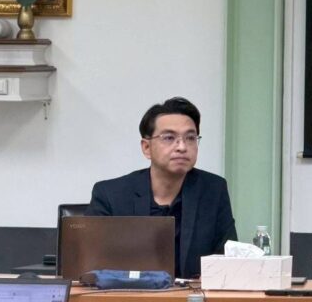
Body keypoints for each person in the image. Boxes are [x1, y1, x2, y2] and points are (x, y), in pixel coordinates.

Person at [86, 97, 237, 278]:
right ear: (146, 147)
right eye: (169, 138)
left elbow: (228, 261)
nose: (182, 147)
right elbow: (90, 266)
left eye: (190, 138)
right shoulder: (111, 195)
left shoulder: (213, 190)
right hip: (129, 293)